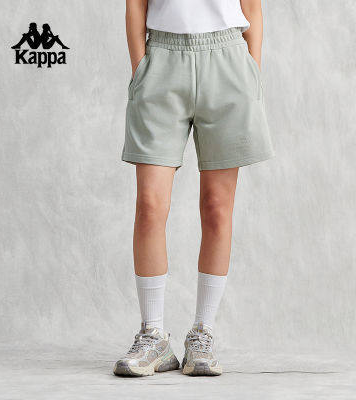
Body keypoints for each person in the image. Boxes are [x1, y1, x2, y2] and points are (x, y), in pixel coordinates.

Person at [114, 0, 274, 377]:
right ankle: (153, 335)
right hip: (162, 59)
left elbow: (252, 6)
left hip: (227, 60)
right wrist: (141, 69)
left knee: (217, 208)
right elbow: (136, 4)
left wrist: (251, 69)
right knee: (150, 206)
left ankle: (202, 334)